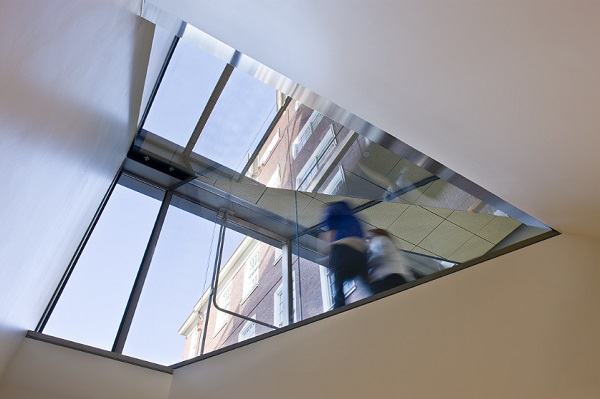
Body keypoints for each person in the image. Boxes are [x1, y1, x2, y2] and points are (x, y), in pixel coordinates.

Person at [323, 201, 371, 309]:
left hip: (343, 246)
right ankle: (377, 294)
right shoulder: (353, 217)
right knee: (364, 278)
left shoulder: (331, 211)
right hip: (360, 249)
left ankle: (339, 303)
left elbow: (332, 232)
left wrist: (330, 255)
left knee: (338, 275)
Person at [366, 228, 415, 294]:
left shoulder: (380, 239)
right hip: (398, 278)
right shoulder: (392, 247)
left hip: (389, 279)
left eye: (369, 237)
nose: (367, 240)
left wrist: (364, 266)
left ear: (376, 234)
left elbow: (378, 257)